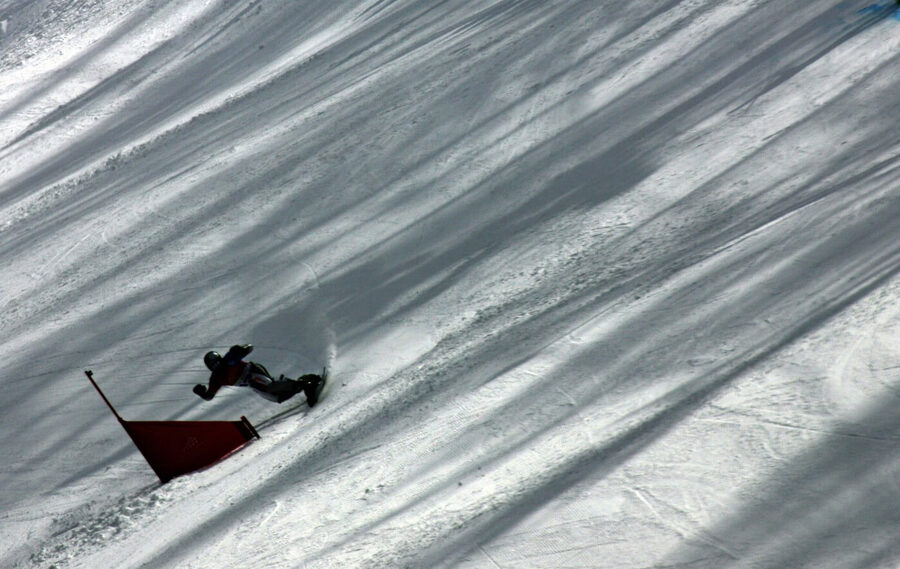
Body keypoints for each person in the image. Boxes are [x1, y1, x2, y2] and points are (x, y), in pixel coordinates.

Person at [193, 344, 325, 406]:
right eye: (213, 366)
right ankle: (302, 384)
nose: (217, 367)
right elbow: (210, 396)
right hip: (250, 382)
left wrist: (239, 349)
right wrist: (202, 393)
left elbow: (249, 347)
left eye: (217, 363)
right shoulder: (216, 379)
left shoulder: (228, 360)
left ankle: (307, 385)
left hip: (253, 371)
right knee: (277, 398)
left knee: (269, 387)